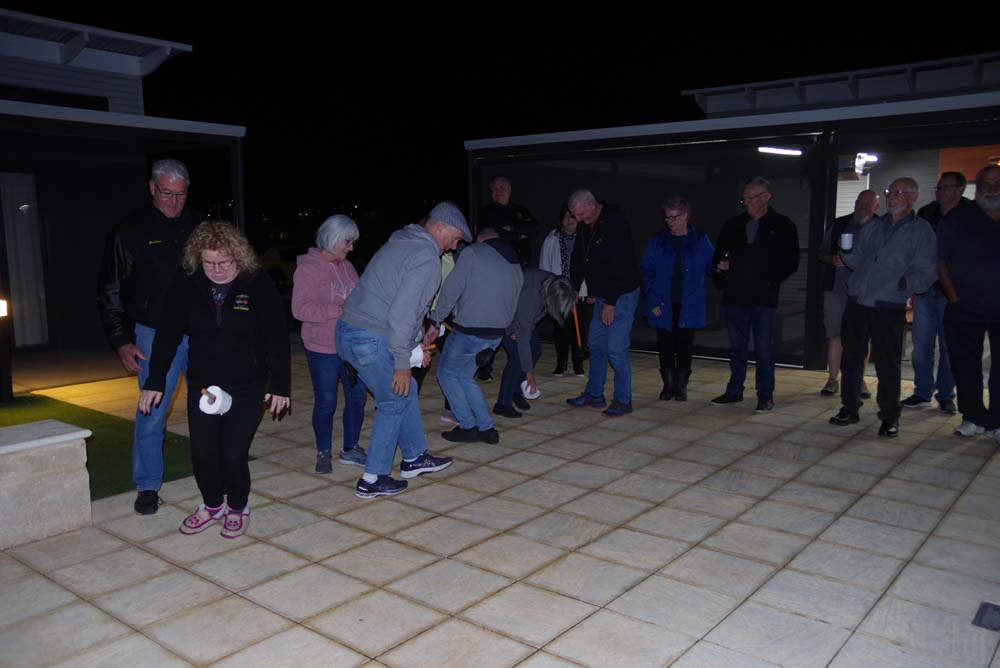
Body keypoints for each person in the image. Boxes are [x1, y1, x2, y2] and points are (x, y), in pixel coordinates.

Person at [139, 222, 290, 538]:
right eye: (208, 263)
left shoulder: (256, 282)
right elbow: (167, 335)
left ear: (238, 256)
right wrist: (154, 380)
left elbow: (276, 336)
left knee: (233, 453)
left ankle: (237, 506)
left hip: (247, 382)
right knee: (203, 454)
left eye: (224, 262)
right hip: (204, 384)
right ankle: (212, 506)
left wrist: (279, 385)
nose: (216, 270)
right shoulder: (187, 282)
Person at [336, 202, 467, 498]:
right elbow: (403, 314)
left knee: (405, 392)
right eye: (455, 239)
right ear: (440, 227)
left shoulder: (401, 242)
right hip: (370, 337)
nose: (454, 247)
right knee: (394, 399)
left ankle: (414, 457)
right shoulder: (426, 257)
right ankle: (373, 479)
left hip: (349, 332)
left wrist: (415, 345)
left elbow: (397, 303)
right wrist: (402, 362)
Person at [97, 158, 202, 515]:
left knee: (210, 404)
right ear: (152, 188)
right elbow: (110, 288)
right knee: (152, 410)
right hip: (153, 334)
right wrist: (120, 340)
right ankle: (147, 485)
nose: (174, 202)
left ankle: (215, 474)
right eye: (167, 194)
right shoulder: (130, 230)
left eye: (181, 194)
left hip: (199, 331)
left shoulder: (199, 225)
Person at [829, 177, 937, 437]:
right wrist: (845, 253)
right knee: (851, 359)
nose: (892, 197)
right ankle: (849, 408)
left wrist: (903, 284)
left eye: (899, 193)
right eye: (890, 192)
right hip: (858, 300)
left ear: (913, 197)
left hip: (889, 304)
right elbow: (857, 259)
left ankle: (889, 416)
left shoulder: (921, 230)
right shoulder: (874, 226)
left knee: (888, 363)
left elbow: (927, 271)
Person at [712, 177, 800, 411]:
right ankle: (734, 390)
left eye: (750, 198)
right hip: (735, 296)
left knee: (764, 347)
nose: (746, 202)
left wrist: (767, 279)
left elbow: (789, 261)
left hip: (763, 297)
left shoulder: (783, 226)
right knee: (737, 347)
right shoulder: (733, 225)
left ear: (765, 197)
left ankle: (765, 393)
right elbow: (719, 255)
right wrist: (721, 273)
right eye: (744, 198)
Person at [431, 228, 524, 443]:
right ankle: (487, 428)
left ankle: (467, 426)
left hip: (469, 330)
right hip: (496, 334)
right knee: (465, 377)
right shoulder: (515, 265)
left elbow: (452, 288)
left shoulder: (474, 252)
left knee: (446, 374)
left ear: (482, 241)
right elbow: (514, 303)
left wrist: (435, 319)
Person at [292, 214, 367, 474]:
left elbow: (359, 298)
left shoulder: (348, 267)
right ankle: (323, 451)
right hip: (322, 347)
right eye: (347, 242)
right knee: (326, 401)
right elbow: (299, 309)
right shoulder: (308, 268)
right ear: (332, 238)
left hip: (351, 345)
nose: (351, 248)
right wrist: (337, 310)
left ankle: (351, 448)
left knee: (357, 396)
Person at [565, 189, 642, 417]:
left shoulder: (615, 223)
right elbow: (579, 258)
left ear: (592, 205)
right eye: (574, 215)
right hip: (602, 295)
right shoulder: (585, 225)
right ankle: (594, 394)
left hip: (622, 294)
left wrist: (611, 302)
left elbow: (618, 265)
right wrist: (574, 287)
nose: (578, 220)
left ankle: (623, 400)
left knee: (616, 349)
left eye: (580, 214)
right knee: (596, 345)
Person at [939, 165, 1000, 439]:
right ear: (977, 187)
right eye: (986, 183)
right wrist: (953, 296)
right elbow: (940, 260)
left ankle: (997, 422)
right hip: (964, 306)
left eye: (997, 183)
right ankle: (973, 416)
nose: (992, 189)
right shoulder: (959, 218)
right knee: (965, 365)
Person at [903, 172, 971, 413]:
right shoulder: (927, 213)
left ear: (960, 189)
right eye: (938, 188)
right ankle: (922, 392)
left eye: (945, 187)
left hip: (953, 290)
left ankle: (946, 395)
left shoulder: (971, 215)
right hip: (926, 288)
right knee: (921, 346)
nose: (940, 192)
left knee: (949, 346)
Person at [640, 196, 714, 402]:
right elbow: (646, 271)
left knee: (684, 345)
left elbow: (712, 265)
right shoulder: (658, 240)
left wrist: (721, 267)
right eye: (667, 218)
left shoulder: (700, 239)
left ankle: (680, 386)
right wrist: (653, 301)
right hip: (663, 303)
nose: (670, 222)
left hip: (689, 303)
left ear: (686, 215)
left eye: (674, 217)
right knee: (665, 344)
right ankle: (668, 385)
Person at [817, 190, 879, 397]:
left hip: (865, 291)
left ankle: (859, 380)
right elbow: (821, 252)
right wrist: (832, 259)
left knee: (862, 337)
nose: (863, 206)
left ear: (876, 207)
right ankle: (832, 379)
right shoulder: (839, 224)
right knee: (834, 334)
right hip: (836, 289)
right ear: (855, 203)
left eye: (868, 203)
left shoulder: (881, 227)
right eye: (861, 202)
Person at [494, 270, 575, 417]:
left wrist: (520, 329)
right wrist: (530, 375)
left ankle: (516, 391)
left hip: (520, 315)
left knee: (535, 349)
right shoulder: (532, 296)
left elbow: (531, 318)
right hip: (500, 316)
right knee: (518, 358)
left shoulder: (554, 285)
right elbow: (523, 336)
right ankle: (502, 404)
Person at [540, 205, 587, 377]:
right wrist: (547, 290)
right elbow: (544, 265)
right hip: (557, 292)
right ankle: (561, 363)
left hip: (579, 291)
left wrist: (586, 290)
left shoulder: (585, 238)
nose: (569, 220)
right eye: (566, 216)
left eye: (573, 217)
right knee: (560, 329)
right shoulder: (551, 239)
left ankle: (578, 363)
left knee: (578, 329)